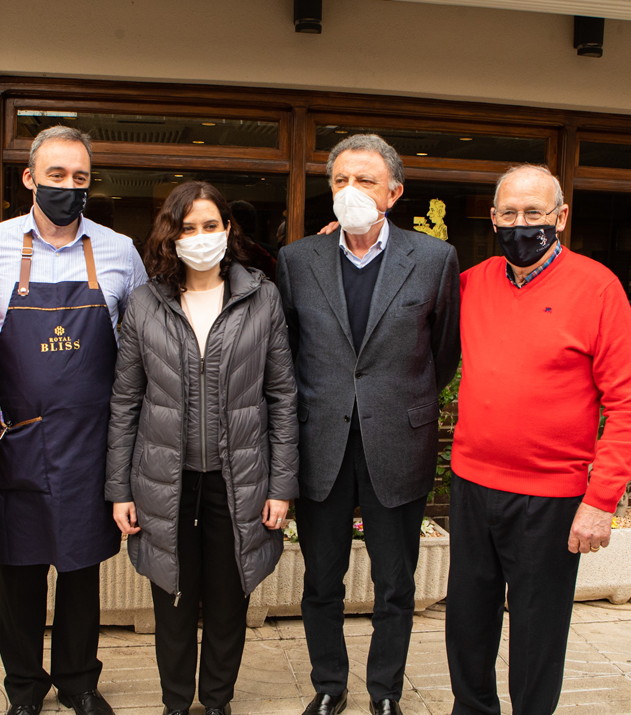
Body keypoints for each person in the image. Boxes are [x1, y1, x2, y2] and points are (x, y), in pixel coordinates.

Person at [445, 164, 631, 715]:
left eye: (534, 213)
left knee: (537, 633)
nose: (521, 224)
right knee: (466, 621)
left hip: (551, 498)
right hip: (471, 485)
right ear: (493, 219)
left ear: (560, 217)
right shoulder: (472, 282)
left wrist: (601, 501)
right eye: (509, 213)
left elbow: (630, 404)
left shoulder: (598, 287)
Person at [0, 126, 147, 715]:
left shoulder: (119, 251)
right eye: (57, 175)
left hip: (92, 443)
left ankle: (79, 682)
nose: (69, 186)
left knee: (81, 570)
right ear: (30, 178)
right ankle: (23, 690)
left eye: (80, 177)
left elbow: (143, 342)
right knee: (18, 572)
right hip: (15, 440)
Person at [275, 134, 460, 715]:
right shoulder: (297, 259)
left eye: (366, 180)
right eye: (340, 180)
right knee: (320, 580)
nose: (350, 190)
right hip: (321, 441)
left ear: (394, 193)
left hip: (398, 442)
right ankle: (329, 685)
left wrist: (402, 399)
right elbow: (289, 351)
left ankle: (385, 692)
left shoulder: (433, 259)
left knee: (395, 583)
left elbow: (443, 353)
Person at [106, 181, 299, 715]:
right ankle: (175, 702)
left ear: (227, 229)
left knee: (228, 598)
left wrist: (282, 485)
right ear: (171, 236)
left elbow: (283, 395)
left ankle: (216, 701)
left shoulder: (261, 297)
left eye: (210, 225)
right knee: (171, 597)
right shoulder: (145, 303)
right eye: (187, 227)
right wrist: (120, 489)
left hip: (240, 480)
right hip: (164, 480)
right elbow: (125, 400)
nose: (200, 236)